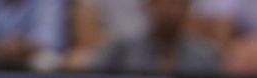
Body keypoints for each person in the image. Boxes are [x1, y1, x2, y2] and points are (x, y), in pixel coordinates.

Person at [92, 0, 220, 71]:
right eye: (163, 3)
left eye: (176, 3)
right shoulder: (121, 51)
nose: (170, 11)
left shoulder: (205, 56)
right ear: (149, 6)